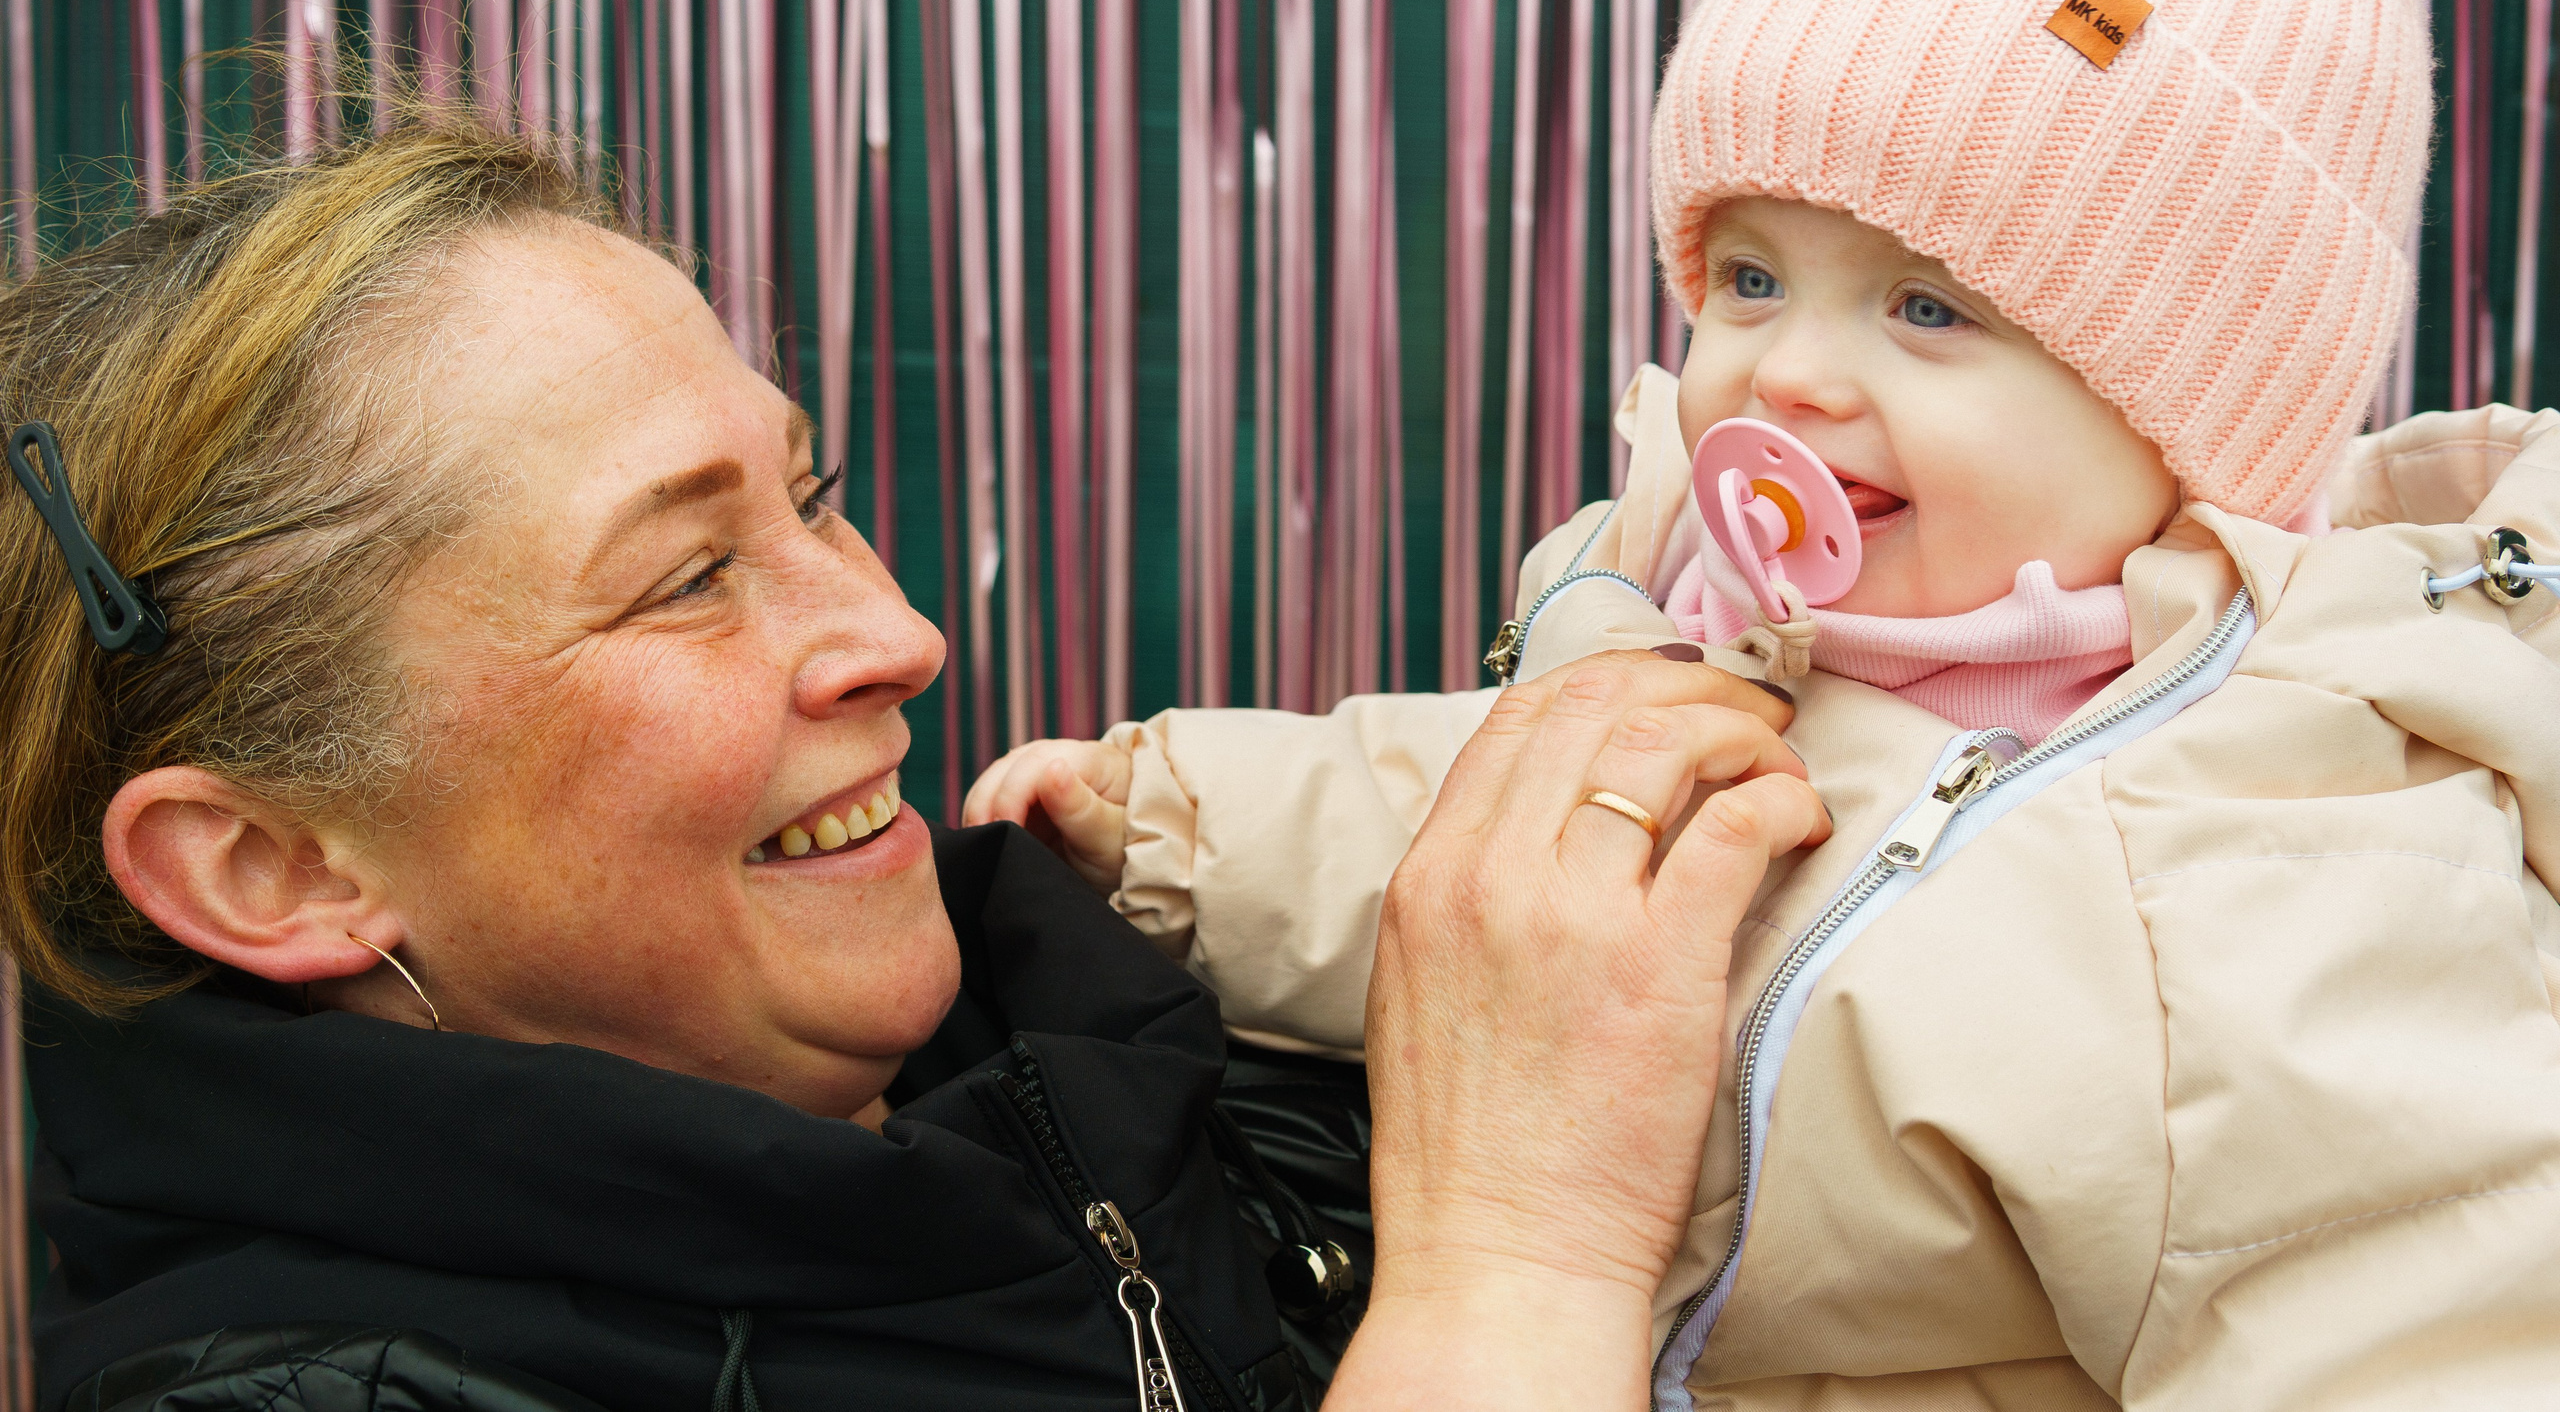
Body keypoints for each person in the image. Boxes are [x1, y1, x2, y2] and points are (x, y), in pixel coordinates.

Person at [967, 0, 2560, 1403]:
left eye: (1926, 305)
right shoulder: (1701, 617)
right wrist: (1173, 831)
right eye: (1750, 277)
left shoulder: (2290, 865)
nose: (1783, 372)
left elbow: (2416, 1315)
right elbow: (1480, 830)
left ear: (2196, 413)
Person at [0, 112, 1832, 1412]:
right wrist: (1514, 1257)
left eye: (811, 498)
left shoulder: (1147, 1032)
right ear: (274, 869)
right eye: (688, 576)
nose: (898, 635)